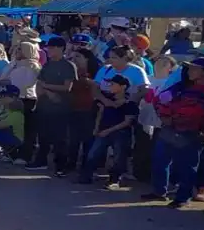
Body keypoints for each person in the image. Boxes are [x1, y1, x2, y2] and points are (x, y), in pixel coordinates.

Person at [145, 57, 204, 207]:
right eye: (189, 68)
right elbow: (159, 101)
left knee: (187, 167)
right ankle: (159, 191)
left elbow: (200, 112)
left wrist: (173, 116)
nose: (190, 71)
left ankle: (183, 197)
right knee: (159, 161)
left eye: (194, 68)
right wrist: (165, 116)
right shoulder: (182, 87)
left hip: (192, 132)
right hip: (170, 129)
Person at [26, 38, 76, 175]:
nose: (49, 50)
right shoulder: (47, 65)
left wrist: (46, 87)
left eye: (52, 48)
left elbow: (67, 87)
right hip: (43, 106)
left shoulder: (68, 66)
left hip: (61, 108)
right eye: (48, 48)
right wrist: (46, 92)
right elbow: (39, 83)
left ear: (61, 48)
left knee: (60, 138)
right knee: (43, 136)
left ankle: (61, 165)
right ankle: (40, 161)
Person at [78, 75, 137, 188]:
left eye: (113, 84)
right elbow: (101, 112)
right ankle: (87, 175)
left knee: (118, 156)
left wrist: (109, 130)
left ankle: (114, 180)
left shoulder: (130, 102)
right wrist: (96, 128)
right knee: (92, 154)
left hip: (120, 132)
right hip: (103, 130)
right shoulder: (107, 98)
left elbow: (127, 122)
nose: (110, 86)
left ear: (123, 86)